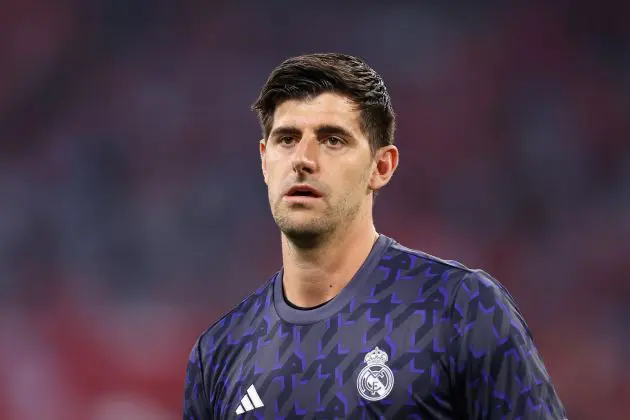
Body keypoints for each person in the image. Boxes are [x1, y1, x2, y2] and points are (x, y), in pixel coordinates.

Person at [182, 53, 567, 419]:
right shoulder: (220, 352)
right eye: (287, 139)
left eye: (333, 139)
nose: (303, 158)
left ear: (381, 166)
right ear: (265, 160)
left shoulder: (459, 309)